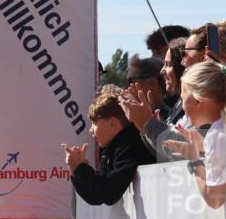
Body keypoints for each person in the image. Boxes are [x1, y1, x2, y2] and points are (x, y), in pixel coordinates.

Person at [63, 88, 156, 206]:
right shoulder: (114, 148)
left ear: (112, 124)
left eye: (94, 123)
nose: (90, 130)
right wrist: (75, 169)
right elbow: (95, 198)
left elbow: (108, 192)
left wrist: (80, 167)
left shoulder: (130, 145)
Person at [165, 61, 226, 209]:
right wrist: (202, 145)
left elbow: (215, 200)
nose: (183, 106)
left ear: (198, 100)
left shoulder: (217, 134)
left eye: (183, 97)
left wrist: (195, 160)